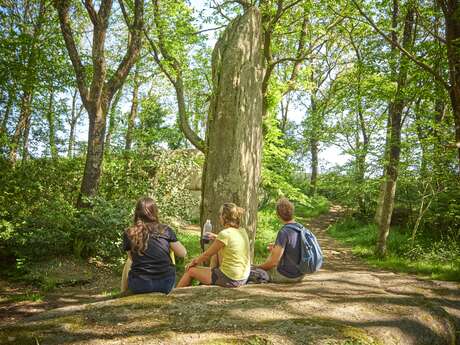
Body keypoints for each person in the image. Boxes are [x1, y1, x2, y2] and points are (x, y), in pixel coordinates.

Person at [122, 197, 187, 294]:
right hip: (165, 284)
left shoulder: (129, 233)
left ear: (137, 213)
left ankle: (123, 292)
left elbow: (132, 258)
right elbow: (182, 253)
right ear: (155, 212)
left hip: (139, 285)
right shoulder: (165, 230)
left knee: (130, 270)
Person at [177, 203, 250, 288]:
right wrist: (216, 237)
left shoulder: (225, 234)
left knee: (190, 271)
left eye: (220, 214)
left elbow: (207, 255)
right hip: (243, 277)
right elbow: (232, 240)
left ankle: (173, 296)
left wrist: (193, 262)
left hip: (231, 279)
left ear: (224, 217)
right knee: (215, 254)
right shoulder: (242, 231)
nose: (219, 217)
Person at [255, 198, 305, 283]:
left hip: (286, 276)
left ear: (278, 215)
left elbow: (274, 262)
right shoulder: (300, 228)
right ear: (292, 212)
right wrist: (275, 250)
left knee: (253, 272)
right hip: (300, 275)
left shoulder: (284, 232)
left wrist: (257, 267)